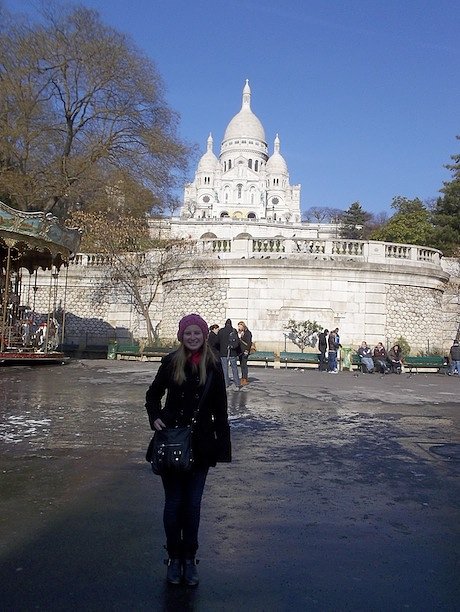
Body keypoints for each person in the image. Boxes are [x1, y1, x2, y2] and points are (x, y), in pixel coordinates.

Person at [145, 314, 231, 586]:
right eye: (188, 333)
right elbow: (152, 395)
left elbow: (221, 409)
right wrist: (155, 416)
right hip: (172, 441)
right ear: (181, 336)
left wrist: (222, 447)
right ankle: (173, 558)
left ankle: (189, 558)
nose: (192, 337)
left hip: (201, 444)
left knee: (192, 505)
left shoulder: (214, 366)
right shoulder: (171, 363)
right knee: (174, 504)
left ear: (205, 335)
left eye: (197, 333)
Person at [217, 318, 241, 389]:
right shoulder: (234, 330)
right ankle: (237, 384)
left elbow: (218, 341)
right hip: (232, 352)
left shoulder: (221, 331)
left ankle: (226, 383)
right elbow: (237, 342)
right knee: (234, 368)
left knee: (224, 369)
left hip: (223, 353)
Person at [237, 320, 252, 385]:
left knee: (244, 365)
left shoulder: (248, 333)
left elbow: (249, 342)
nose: (239, 328)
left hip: (245, 351)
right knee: (242, 365)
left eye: (240, 326)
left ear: (243, 326)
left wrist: (247, 350)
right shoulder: (240, 333)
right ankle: (243, 378)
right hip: (240, 351)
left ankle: (245, 378)